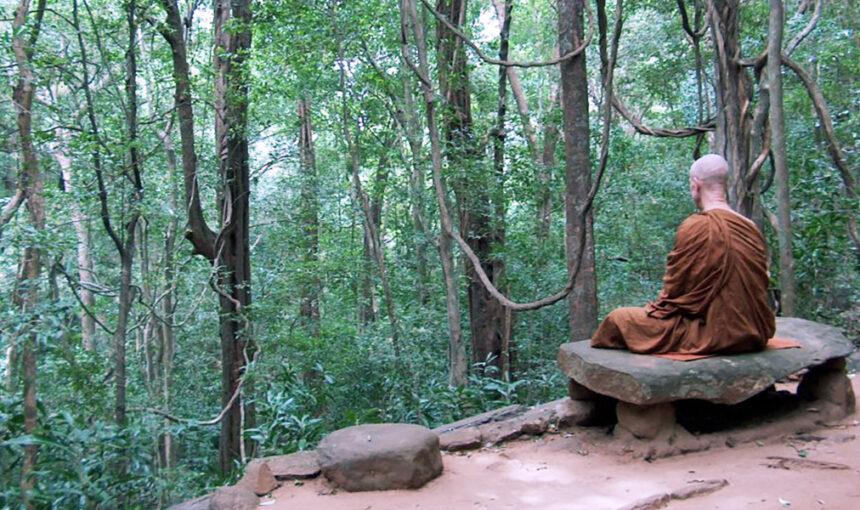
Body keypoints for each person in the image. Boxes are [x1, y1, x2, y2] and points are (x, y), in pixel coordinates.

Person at [590, 154, 776, 354]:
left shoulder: (694, 226)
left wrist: (657, 312)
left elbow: (674, 291)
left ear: (696, 185)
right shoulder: (750, 227)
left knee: (619, 318)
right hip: (755, 331)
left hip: (712, 334)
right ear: (725, 184)